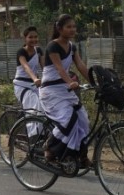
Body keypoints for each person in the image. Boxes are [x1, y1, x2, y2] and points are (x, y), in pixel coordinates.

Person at [38, 14, 90, 166]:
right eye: (69, 27)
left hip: (65, 90)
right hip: (51, 91)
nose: (72, 29)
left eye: (74, 26)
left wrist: (95, 81)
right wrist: (71, 82)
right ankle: (49, 146)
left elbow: (80, 66)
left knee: (83, 121)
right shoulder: (52, 46)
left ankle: (80, 156)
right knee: (68, 120)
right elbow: (60, 68)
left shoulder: (72, 47)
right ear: (59, 29)